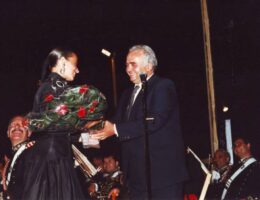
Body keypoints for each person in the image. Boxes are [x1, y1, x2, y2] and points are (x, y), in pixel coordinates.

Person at [92, 45, 188, 199]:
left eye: (133, 64)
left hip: (163, 175)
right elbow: (115, 122)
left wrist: (115, 129)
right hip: (136, 177)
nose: (128, 69)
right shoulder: (127, 94)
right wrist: (92, 126)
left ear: (149, 66)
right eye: (126, 65)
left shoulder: (163, 86)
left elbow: (154, 121)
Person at [21, 48, 84, 199]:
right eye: (74, 65)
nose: (77, 70)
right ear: (62, 62)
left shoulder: (51, 86)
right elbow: (53, 124)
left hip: (54, 153)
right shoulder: (53, 87)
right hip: (53, 159)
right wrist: (85, 124)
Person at [2, 115, 33, 200]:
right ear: (8, 133)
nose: (17, 127)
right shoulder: (11, 161)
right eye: (12, 125)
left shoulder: (34, 153)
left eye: (22, 124)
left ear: (29, 132)